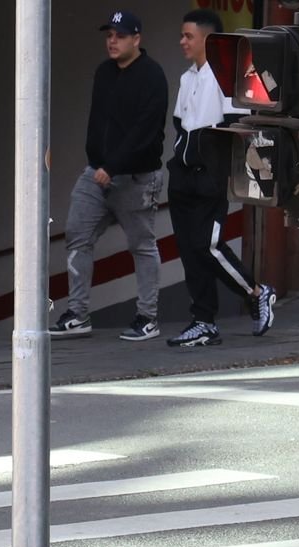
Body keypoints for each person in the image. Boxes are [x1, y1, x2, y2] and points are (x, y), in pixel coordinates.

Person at [50, 10, 169, 342]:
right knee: (76, 233)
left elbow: (146, 132)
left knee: (142, 245)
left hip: (135, 177)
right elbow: (98, 123)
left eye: (119, 35)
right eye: (109, 35)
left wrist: (113, 166)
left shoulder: (152, 75)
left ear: (136, 39)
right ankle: (78, 313)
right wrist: (97, 163)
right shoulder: (104, 72)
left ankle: (147, 317)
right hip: (96, 173)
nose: (112, 40)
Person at [165, 9, 275, 346]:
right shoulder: (187, 78)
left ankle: (256, 291)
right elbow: (179, 125)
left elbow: (237, 125)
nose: (182, 41)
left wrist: (215, 161)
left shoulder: (226, 74)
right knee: (189, 250)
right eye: (182, 35)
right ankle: (203, 321)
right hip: (182, 176)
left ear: (207, 40)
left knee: (208, 246)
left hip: (211, 175)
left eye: (188, 36)